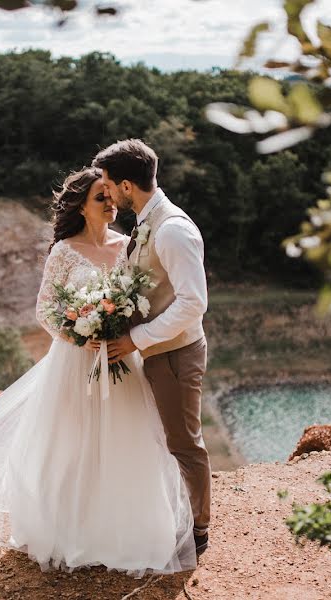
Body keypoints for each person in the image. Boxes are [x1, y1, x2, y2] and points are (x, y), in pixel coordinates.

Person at [0, 166, 197, 578]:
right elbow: (45, 311)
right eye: (100, 198)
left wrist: (119, 330)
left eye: (110, 196)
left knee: (126, 444)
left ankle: (122, 532)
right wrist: (80, 335)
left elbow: (138, 300)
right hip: (74, 364)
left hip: (120, 358)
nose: (110, 204)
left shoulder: (128, 246)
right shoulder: (64, 251)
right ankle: (70, 530)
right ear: (81, 206)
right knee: (72, 446)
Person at [93, 139, 212, 557]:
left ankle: (198, 532)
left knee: (184, 443)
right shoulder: (147, 220)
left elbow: (193, 303)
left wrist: (134, 340)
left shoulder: (173, 230)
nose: (105, 191)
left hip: (176, 354)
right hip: (157, 352)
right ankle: (176, 517)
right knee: (167, 440)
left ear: (127, 185)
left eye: (108, 183)